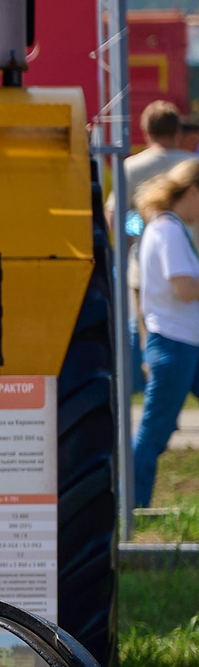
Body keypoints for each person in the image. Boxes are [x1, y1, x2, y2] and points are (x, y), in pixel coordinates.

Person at [132, 158, 199, 510]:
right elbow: (184, 288)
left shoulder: (163, 226)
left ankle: (129, 510)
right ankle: (129, 511)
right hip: (176, 344)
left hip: (180, 342)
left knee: (154, 431)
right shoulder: (170, 229)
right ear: (191, 192)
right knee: (153, 434)